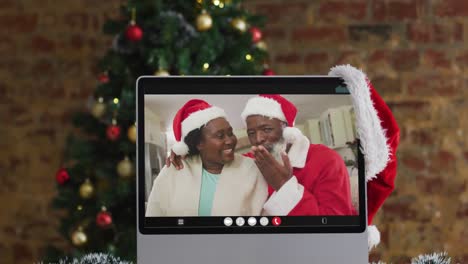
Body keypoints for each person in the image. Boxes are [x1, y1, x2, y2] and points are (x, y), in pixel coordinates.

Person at [146, 99, 268, 217]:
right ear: (199, 143)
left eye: (231, 133)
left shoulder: (251, 168)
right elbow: (154, 216)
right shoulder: (174, 170)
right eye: (220, 136)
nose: (230, 140)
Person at [240, 94, 356, 216]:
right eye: (251, 133)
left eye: (267, 129)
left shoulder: (328, 160)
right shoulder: (252, 160)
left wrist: (283, 185)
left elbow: (334, 227)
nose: (258, 139)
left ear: (287, 130)